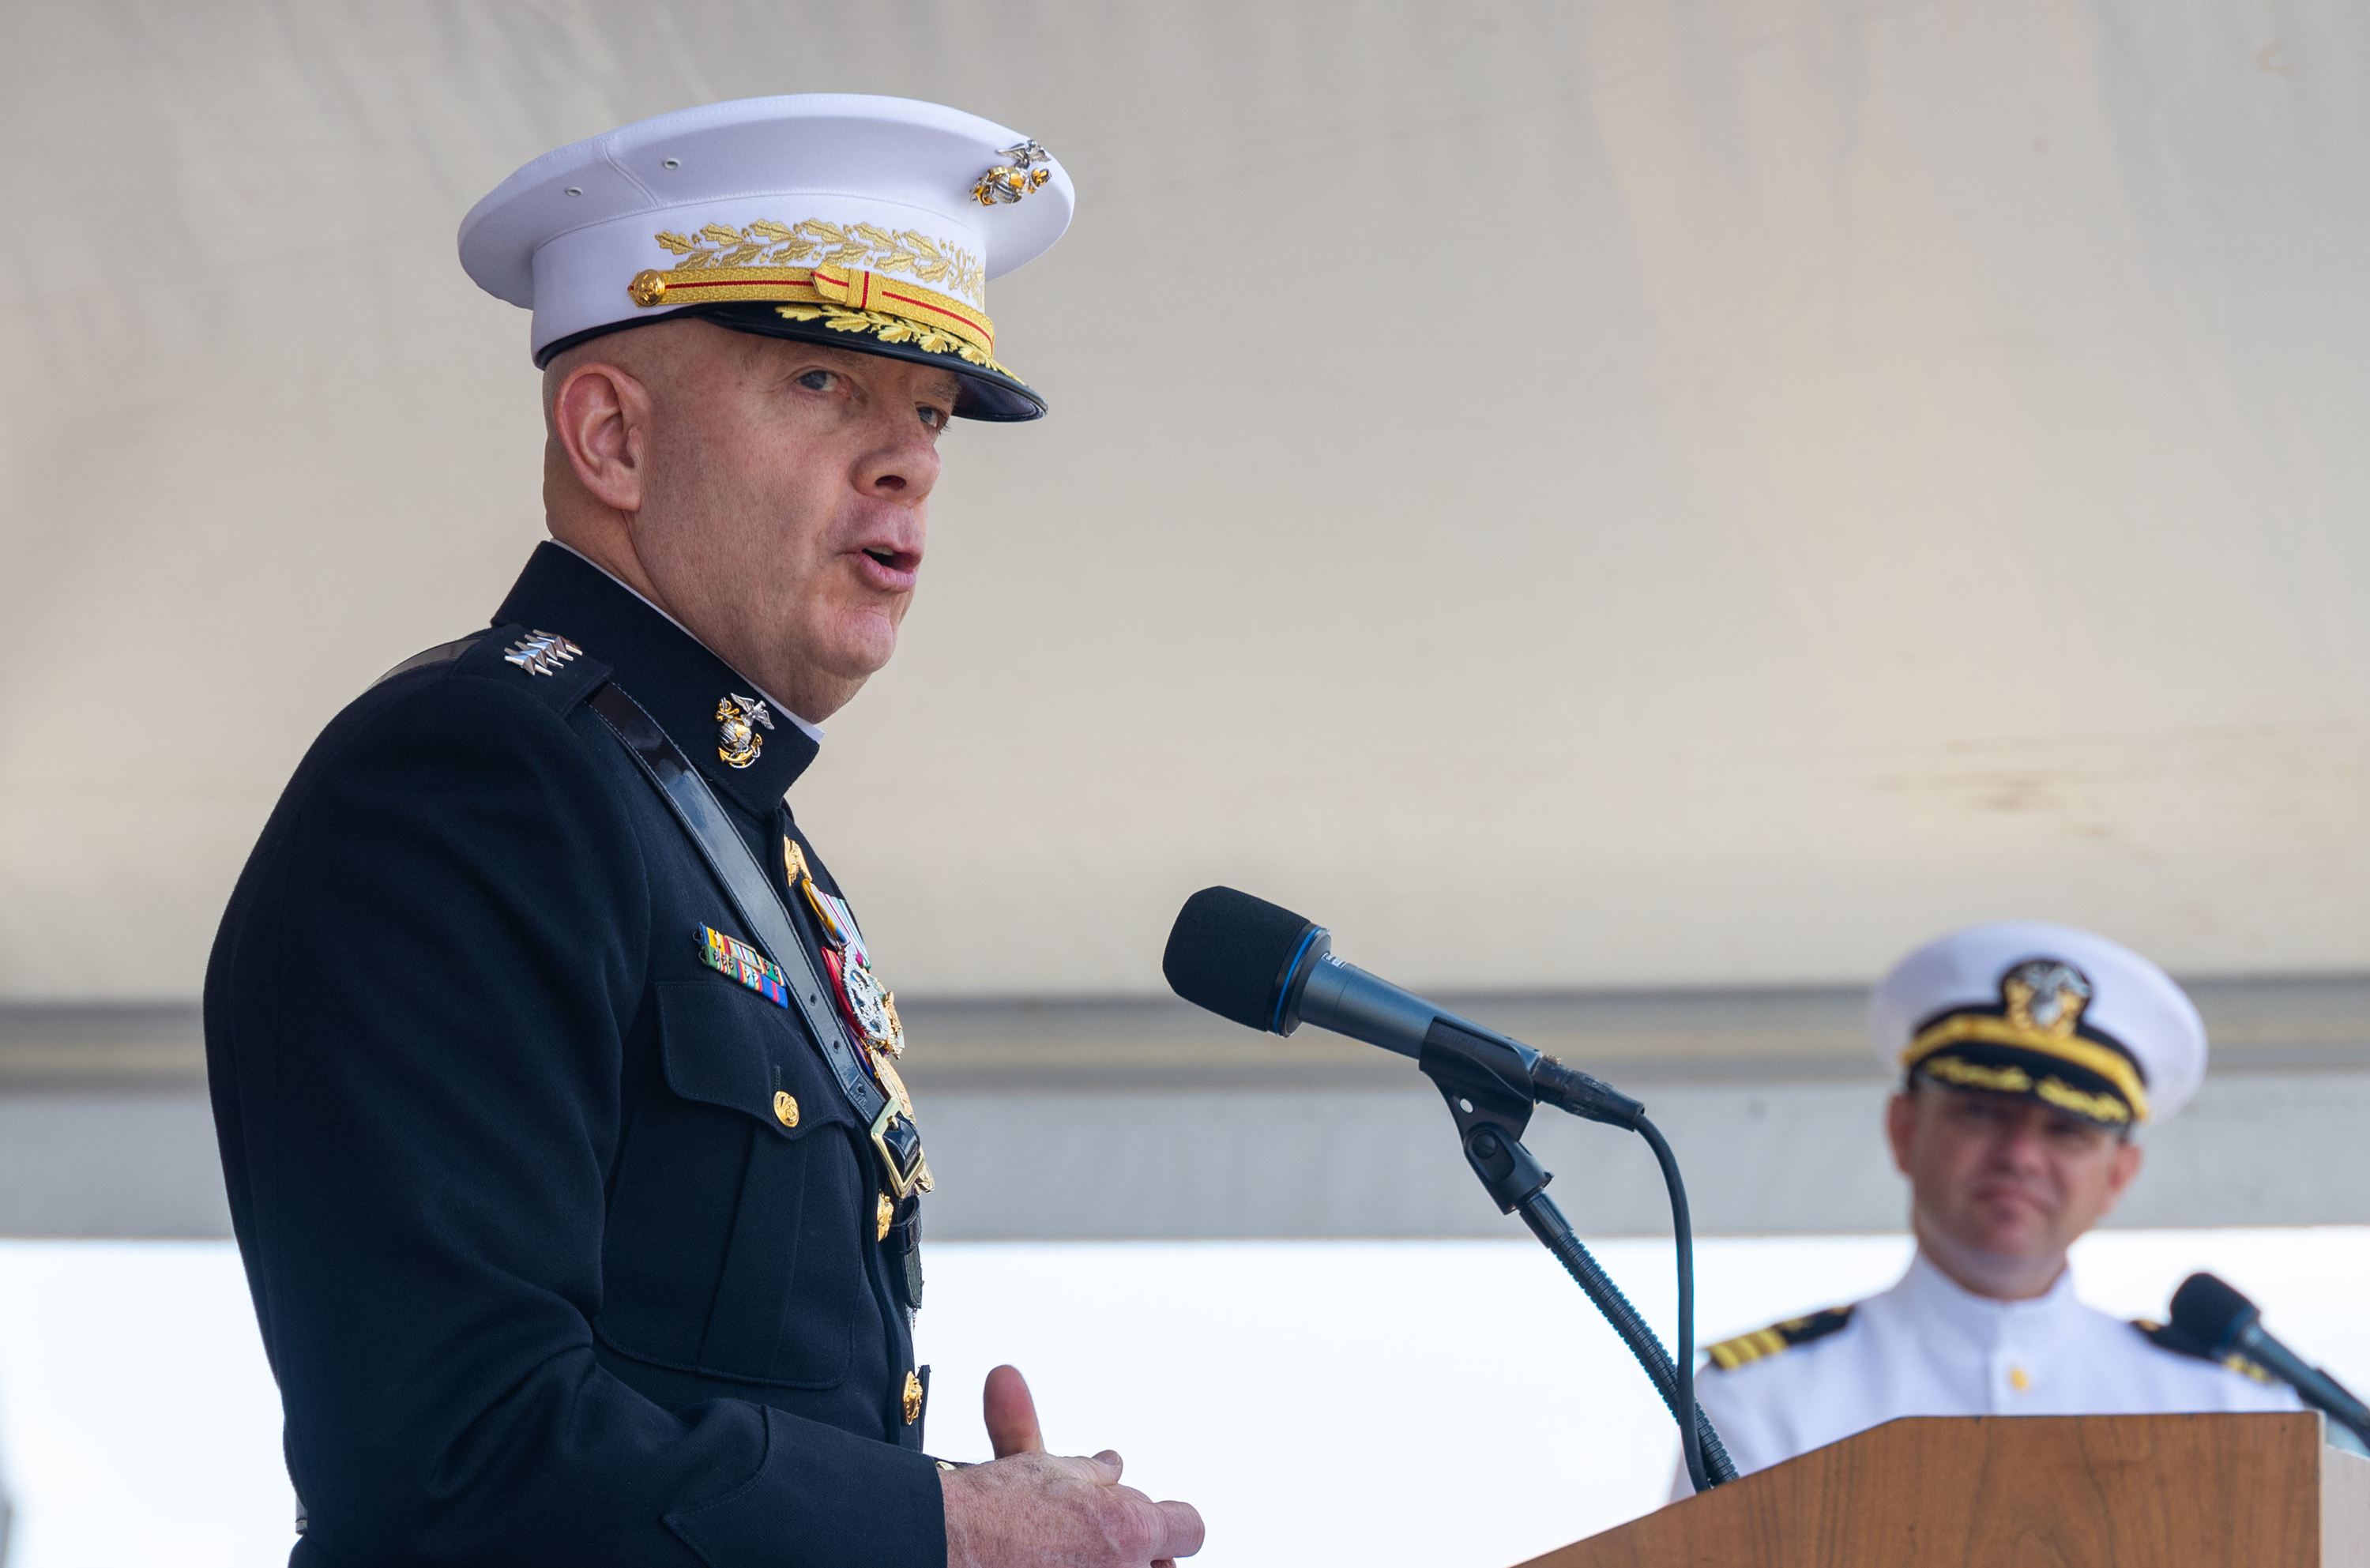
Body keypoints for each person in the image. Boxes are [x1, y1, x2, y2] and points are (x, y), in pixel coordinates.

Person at [205, 95, 1203, 1566]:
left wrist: (943, 1526)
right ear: (611, 435)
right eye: (821, 383)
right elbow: (451, 1455)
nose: (910, 460)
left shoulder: (720, 834)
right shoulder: (473, 777)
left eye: (927, 414)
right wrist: (947, 1527)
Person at [1680, 921, 2295, 1491]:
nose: (2020, 1154)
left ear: (2118, 1176)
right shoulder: (1763, 1399)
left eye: (2066, 1130)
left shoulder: (2229, 1408)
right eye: (1981, 1112)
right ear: (1904, 1129)